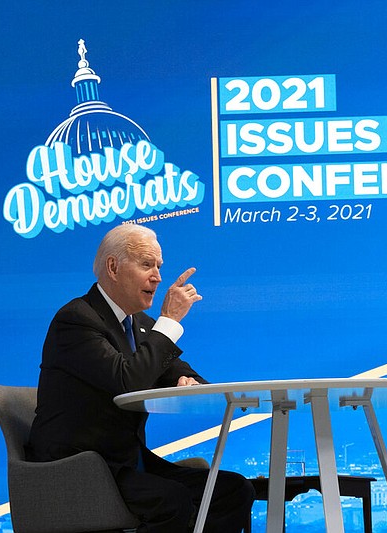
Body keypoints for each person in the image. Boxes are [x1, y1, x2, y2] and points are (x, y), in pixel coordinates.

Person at [27, 224, 254, 533]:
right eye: (147, 264)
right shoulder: (77, 320)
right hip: (80, 469)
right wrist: (170, 321)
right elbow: (129, 380)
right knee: (171, 500)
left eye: (159, 266)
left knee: (232, 490)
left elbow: (175, 369)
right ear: (113, 267)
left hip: (126, 463)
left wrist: (186, 380)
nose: (158, 276)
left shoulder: (140, 325)